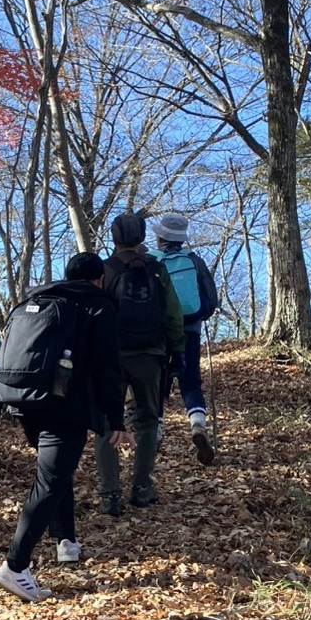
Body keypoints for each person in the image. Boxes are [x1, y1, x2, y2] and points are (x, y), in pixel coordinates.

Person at [0, 252, 130, 602]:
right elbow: (109, 367)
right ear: (100, 280)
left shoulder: (35, 301)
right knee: (49, 482)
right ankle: (15, 567)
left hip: (24, 402)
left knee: (55, 476)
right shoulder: (97, 306)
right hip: (65, 406)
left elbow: (7, 352)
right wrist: (117, 420)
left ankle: (66, 542)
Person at [95, 212, 185, 514]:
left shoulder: (104, 270)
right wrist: (176, 351)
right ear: (143, 237)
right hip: (150, 355)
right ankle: (142, 488)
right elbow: (173, 313)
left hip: (110, 356)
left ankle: (109, 494)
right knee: (147, 421)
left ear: (113, 237)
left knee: (106, 422)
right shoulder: (157, 270)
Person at [153, 213, 219, 464]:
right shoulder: (194, 261)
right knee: (190, 381)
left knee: (159, 381)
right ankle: (198, 425)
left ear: (160, 238)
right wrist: (201, 314)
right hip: (190, 329)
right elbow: (211, 299)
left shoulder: (152, 261)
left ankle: (156, 433)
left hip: (159, 332)